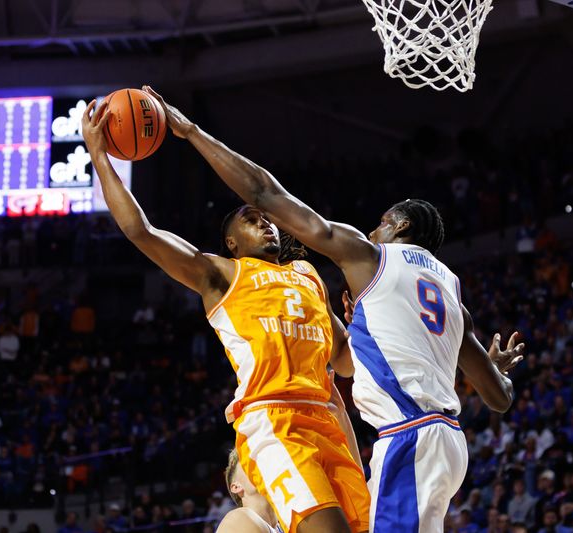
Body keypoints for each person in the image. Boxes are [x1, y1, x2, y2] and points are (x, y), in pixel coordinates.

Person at [145, 85, 523, 533]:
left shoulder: (371, 257)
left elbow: (265, 193)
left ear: (399, 226)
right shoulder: (451, 290)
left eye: (382, 222)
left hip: (408, 437)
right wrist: (494, 370)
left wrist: (191, 132)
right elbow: (499, 398)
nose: (373, 228)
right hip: (449, 443)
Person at [82, 101, 369, 533]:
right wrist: (99, 155)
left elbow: (345, 361)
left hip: (326, 420)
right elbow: (141, 232)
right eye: (251, 221)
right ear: (231, 243)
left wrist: (361, 326)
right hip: (274, 420)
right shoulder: (221, 275)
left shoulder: (308, 275)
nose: (266, 224)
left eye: (266, 220)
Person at [219, 371, 361, 533]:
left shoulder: (296, 522)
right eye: (248, 460)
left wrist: (339, 416)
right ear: (236, 487)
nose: (260, 461)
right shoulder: (240, 519)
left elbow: (353, 484)